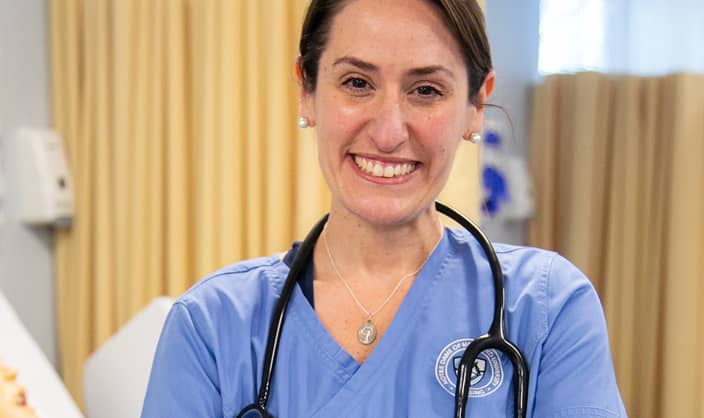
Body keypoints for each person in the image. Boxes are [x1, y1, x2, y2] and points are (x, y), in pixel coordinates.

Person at [141, 0, 627, 416]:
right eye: (356, 83)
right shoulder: (213, 327)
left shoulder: (545, 309)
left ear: (476, 105)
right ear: (306, 90)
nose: (390, 131)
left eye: (426, 90)